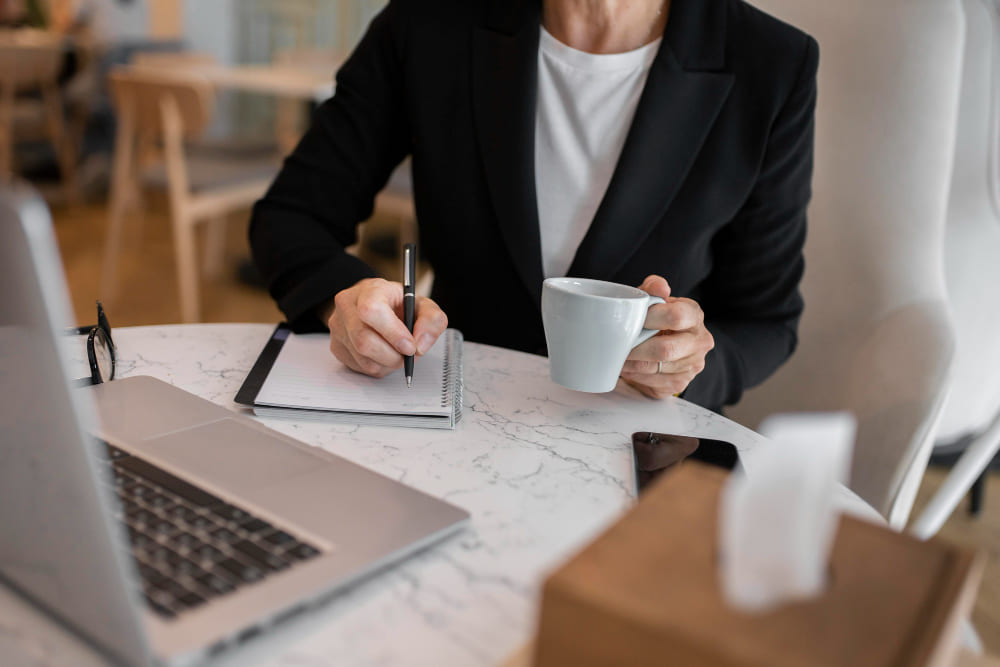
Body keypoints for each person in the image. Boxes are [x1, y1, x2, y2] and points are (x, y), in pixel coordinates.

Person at [249, 0, 817, 414]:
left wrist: (692, 365)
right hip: (451, 422)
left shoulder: (772, 64)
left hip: (639, 449)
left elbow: (766, 320)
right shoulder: (427, 23)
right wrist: (342, 301)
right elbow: (292, 214)